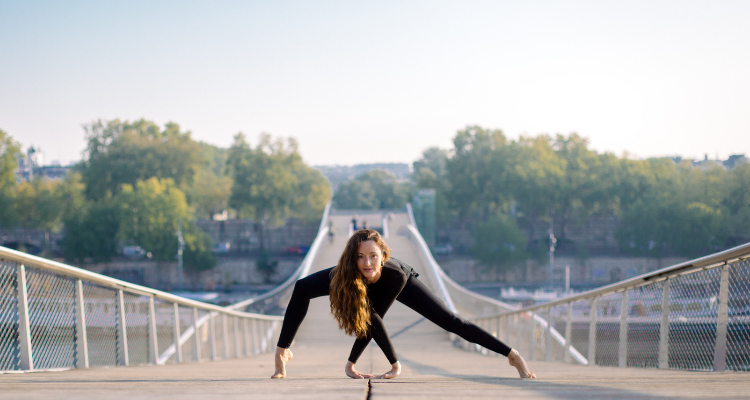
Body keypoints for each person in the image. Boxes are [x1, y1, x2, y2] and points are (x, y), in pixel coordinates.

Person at [272, 229, 536, 380]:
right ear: (352, 258)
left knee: (452, 322)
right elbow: (303, 289)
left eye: (373, 257)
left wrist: (385, 363)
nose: (366, 263)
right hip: (355, 283)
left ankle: (511, 354)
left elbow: (372, 319)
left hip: (402, 281)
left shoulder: (393, 274)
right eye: (360, 257)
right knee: (302, 286)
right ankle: (283, 352)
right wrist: (352, 365)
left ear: (383, 256)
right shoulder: (345, 273)